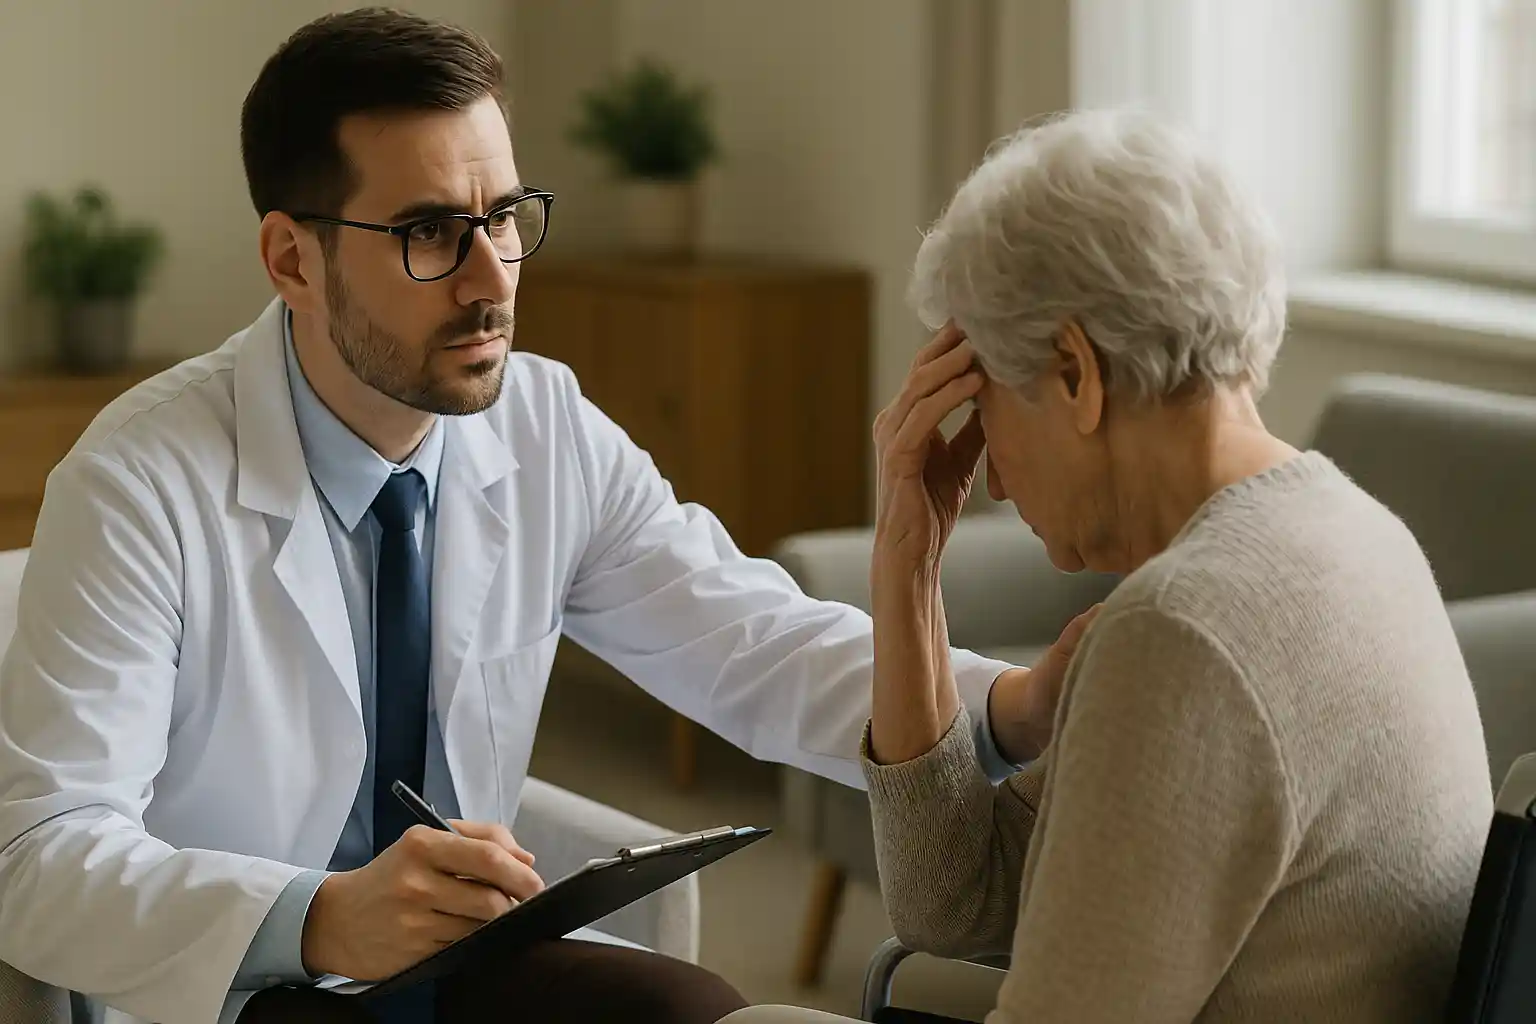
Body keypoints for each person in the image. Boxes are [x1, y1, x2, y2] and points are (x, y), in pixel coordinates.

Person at [0, 9, 1098, 1024]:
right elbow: (38, 858)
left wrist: (1014, 705)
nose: (491, 278)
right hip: (240, 981)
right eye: (430, 232)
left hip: (458, 962)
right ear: (294, 258)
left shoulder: (546, 422)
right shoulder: (137, 483)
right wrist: (322, 914)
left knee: (696, 1011)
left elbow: (749, 639)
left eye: (503, 217)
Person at [725, 110, 1494, 1024]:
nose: (992, 479)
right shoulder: (1360, 532)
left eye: (988, 410)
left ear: (1074, 372)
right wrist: (908, 571)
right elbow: (958, 901)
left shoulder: (1185, 632)